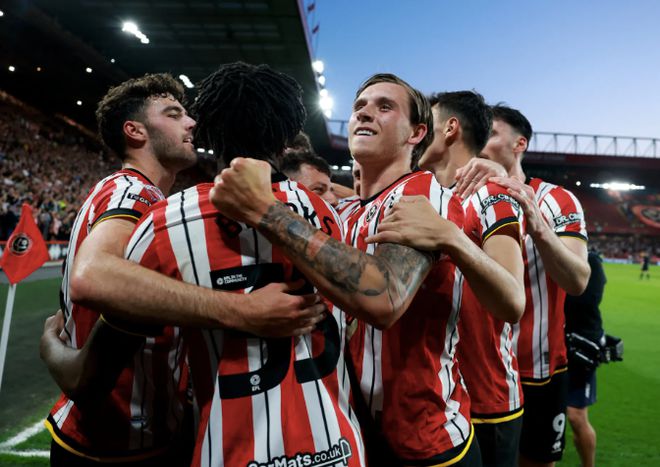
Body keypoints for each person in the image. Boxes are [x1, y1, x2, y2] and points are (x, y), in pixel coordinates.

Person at [41, 72, 323, 466]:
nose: (191, 122)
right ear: (135, 131)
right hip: (116, 442)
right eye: (173, 114)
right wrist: (244, 310)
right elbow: (91, 276)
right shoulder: (134, 193)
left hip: (123, 431)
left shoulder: (128, 192)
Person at [211, 74, 484, 466]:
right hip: (358, 428)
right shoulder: (346, 212)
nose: (364, 114)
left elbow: (385, 299)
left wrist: (265, 210)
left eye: (384, 107)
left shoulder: (422, 196)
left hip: (428, 439)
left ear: (416, 133)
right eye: (359, 107)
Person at [116, 62, 367, 466]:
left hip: (229, 451)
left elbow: (127, 338)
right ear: (285, 140)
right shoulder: (325, 213)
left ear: (206, 130)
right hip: (336, 447)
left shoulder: (164, 222)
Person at [367, 91, 525, 466]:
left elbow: (512, 301)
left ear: (450, 128)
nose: (418, 133)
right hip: (434, 395)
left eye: (427, 123)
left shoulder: (490, 193)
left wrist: (450, 237)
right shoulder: (423, 194)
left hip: (487, 395)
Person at [458, 104, 590, 467]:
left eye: (491, 133)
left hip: (537, 368)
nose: (480, 140)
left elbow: (578, 280)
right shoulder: (456, 197)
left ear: (520, 144)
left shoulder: (556, 200)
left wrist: (538, 226)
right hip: (472, 371)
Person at [564, 249, 607, 467]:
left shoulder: (591, 261)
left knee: (576, 416)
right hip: (551, 345)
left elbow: (588, 300)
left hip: (581, 346)